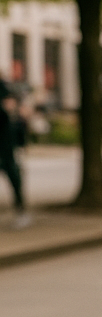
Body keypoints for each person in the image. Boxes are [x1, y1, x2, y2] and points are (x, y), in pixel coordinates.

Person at [0, 75, 30, 229]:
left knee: (14, 178)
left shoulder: (4, 88)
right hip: (6, 145)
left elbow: (11, 112)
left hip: (5, 147)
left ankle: (21, 212)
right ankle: (21, 212)